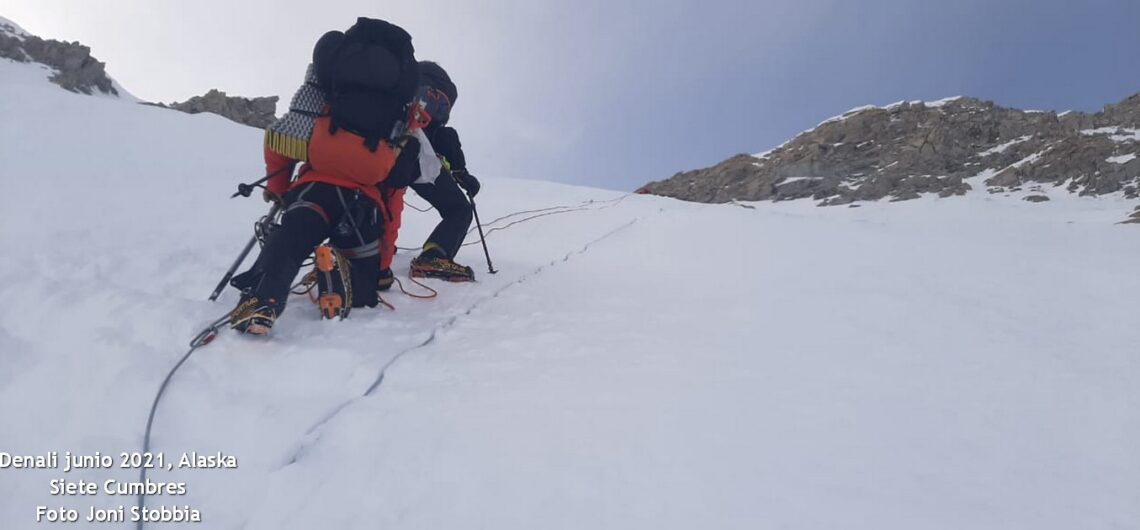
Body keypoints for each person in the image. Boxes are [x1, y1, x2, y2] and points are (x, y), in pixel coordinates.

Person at [228, 18, 422, 335]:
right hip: (364, 202)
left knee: (289, 241)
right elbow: (395, 193)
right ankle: (342, 267)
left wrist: (278, 189)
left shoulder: (322, 91)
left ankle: (261, 299)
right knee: (364, 287)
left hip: (313, 189)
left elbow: (280, 138)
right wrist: (383, 263)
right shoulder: (401, 117)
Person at [377, 61, 481, 288]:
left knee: (380, 199)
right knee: (459, 209)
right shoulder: (439, 99)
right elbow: (446, 137)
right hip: (417, 157)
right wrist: (462, 173)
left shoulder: (399, 90)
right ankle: (434, 255)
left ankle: (366, 250)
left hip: (380, 148)